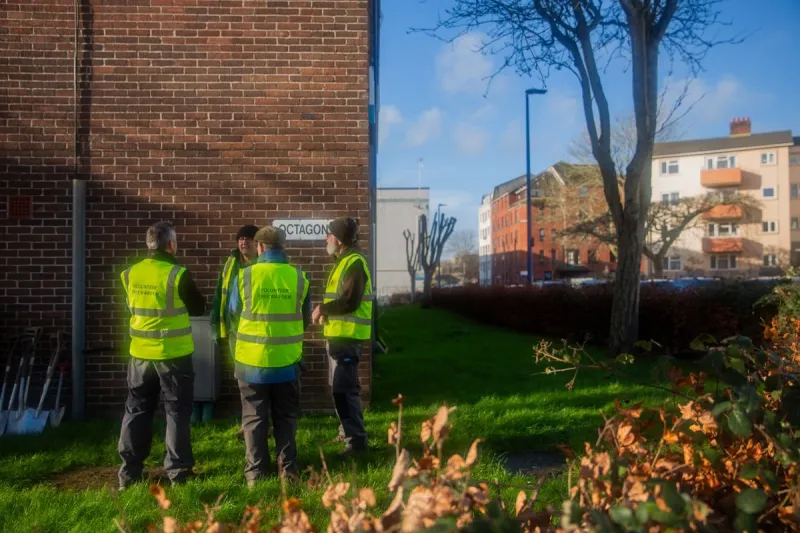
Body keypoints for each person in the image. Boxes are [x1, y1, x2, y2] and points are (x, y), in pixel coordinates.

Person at [118, 221, 205, 491]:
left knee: (136, 410)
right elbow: (198, 307)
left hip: (139, 356)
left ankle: (129, 474)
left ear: (149, 244)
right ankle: (178, 473)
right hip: (173, 356)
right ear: (171, 244)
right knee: (176, 411)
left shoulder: (130, 274)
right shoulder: (177, 274)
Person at [227, 226, 311, 486]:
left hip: (251, 363)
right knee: (286, 417)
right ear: (282, 247)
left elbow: (232, 313)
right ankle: (288, 472)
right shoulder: (299, 277)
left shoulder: (244, 276)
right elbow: (305, 319)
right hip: (287, 361)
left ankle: (256, 474)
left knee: (254, 418)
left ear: (260, 247)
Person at [312, 216, 372, 458]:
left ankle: (356, 442)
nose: (326, 239)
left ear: (336, 240)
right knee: (342, 389)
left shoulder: (354, 263)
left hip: (347, 339)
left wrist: (323, 309)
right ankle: (347, 432)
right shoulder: (344, 261)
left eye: (329, 235)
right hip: (339, 338)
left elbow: (350, 301)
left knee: (345, 391)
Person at [209, 224, 259, 441]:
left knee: (260, 381)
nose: (243, 242)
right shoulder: (231, 265)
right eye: (240, 239)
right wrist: (215, 326)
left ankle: (260, 423)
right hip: (235, 333)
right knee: (243, 380)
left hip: (258, 332)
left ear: (258, 244)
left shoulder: (263, 266)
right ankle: (246, 424)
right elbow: (219, 295)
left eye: (248, 238)